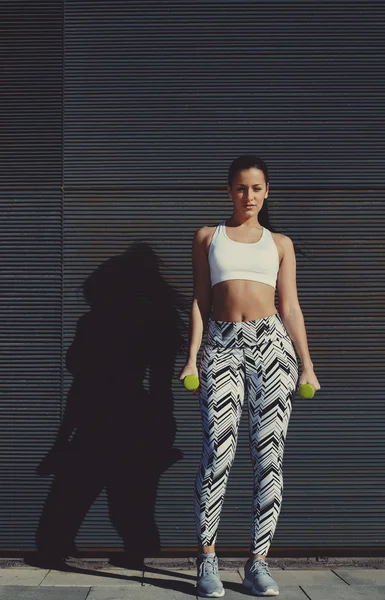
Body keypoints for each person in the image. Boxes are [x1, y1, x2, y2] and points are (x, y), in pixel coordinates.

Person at [179, 155, 321, 598]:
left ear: (266, 192)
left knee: (269, 457)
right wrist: (191, 358)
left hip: (272, 348)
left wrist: (307, 363)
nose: (249, 196)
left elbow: (290, 306)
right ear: (228, 191)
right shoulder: (209, 237)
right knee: (217, 453)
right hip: (221, 346)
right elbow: (201, 301)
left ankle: (258, 563)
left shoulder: (279, 243)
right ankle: (207, 559)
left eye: (257, 188)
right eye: (241, 188)